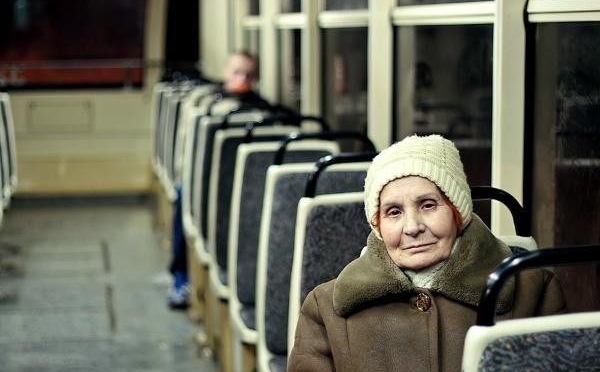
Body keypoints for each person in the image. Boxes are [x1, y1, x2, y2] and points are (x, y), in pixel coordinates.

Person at [288, 134, 566, 371]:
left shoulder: (535, 292)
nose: (412, 227)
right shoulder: (326, 309)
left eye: (428, 205)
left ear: (458, 212)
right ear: (378, 225)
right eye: (394, 212)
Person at [167, 51, 264, 309]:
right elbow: (187, 148)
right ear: (225, 73)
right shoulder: (205, 105)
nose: (242, 79)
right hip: (202, 176)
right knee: (184, 195)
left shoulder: (261, 111)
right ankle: (180, 276)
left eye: (249, 75)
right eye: (237, 72)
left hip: (244, 182)